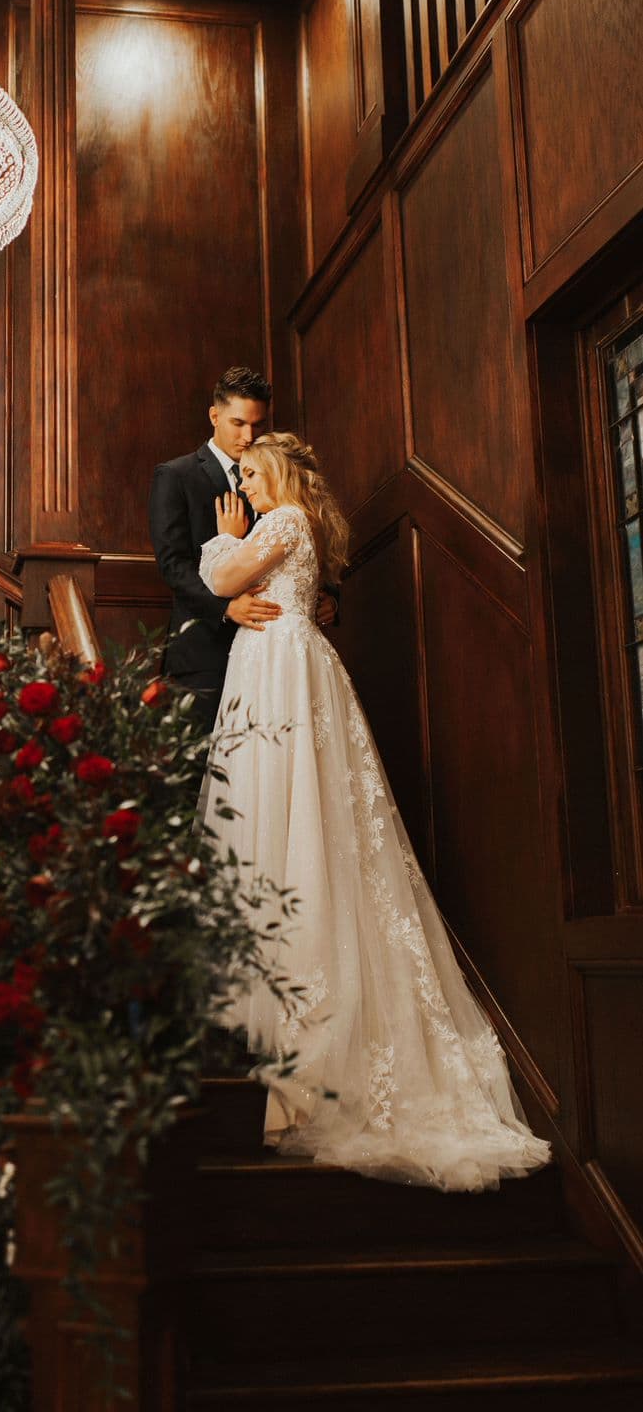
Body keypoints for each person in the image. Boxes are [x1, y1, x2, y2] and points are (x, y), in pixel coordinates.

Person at [198, 432, 550, 1191]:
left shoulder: (282, 520)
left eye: (254, 476)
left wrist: (223, 552)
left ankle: (311, 1059)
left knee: (300, 824)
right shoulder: (292, 524)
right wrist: (232, 599)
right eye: (244, 480)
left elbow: (225, 570)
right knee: (279, 823)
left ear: (282, 474)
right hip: (276, 668)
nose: (247, 489)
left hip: (284, 672)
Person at [149, 366, 335, 734]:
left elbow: (302, 545)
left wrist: (326, 594)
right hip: (206, 654)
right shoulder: (176, 476)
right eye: (238, 423)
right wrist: (226, 607)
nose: (249, 436)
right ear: (214, 416)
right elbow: (174, 565)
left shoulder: (282, 475)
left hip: (278, 660)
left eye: (257, 425)